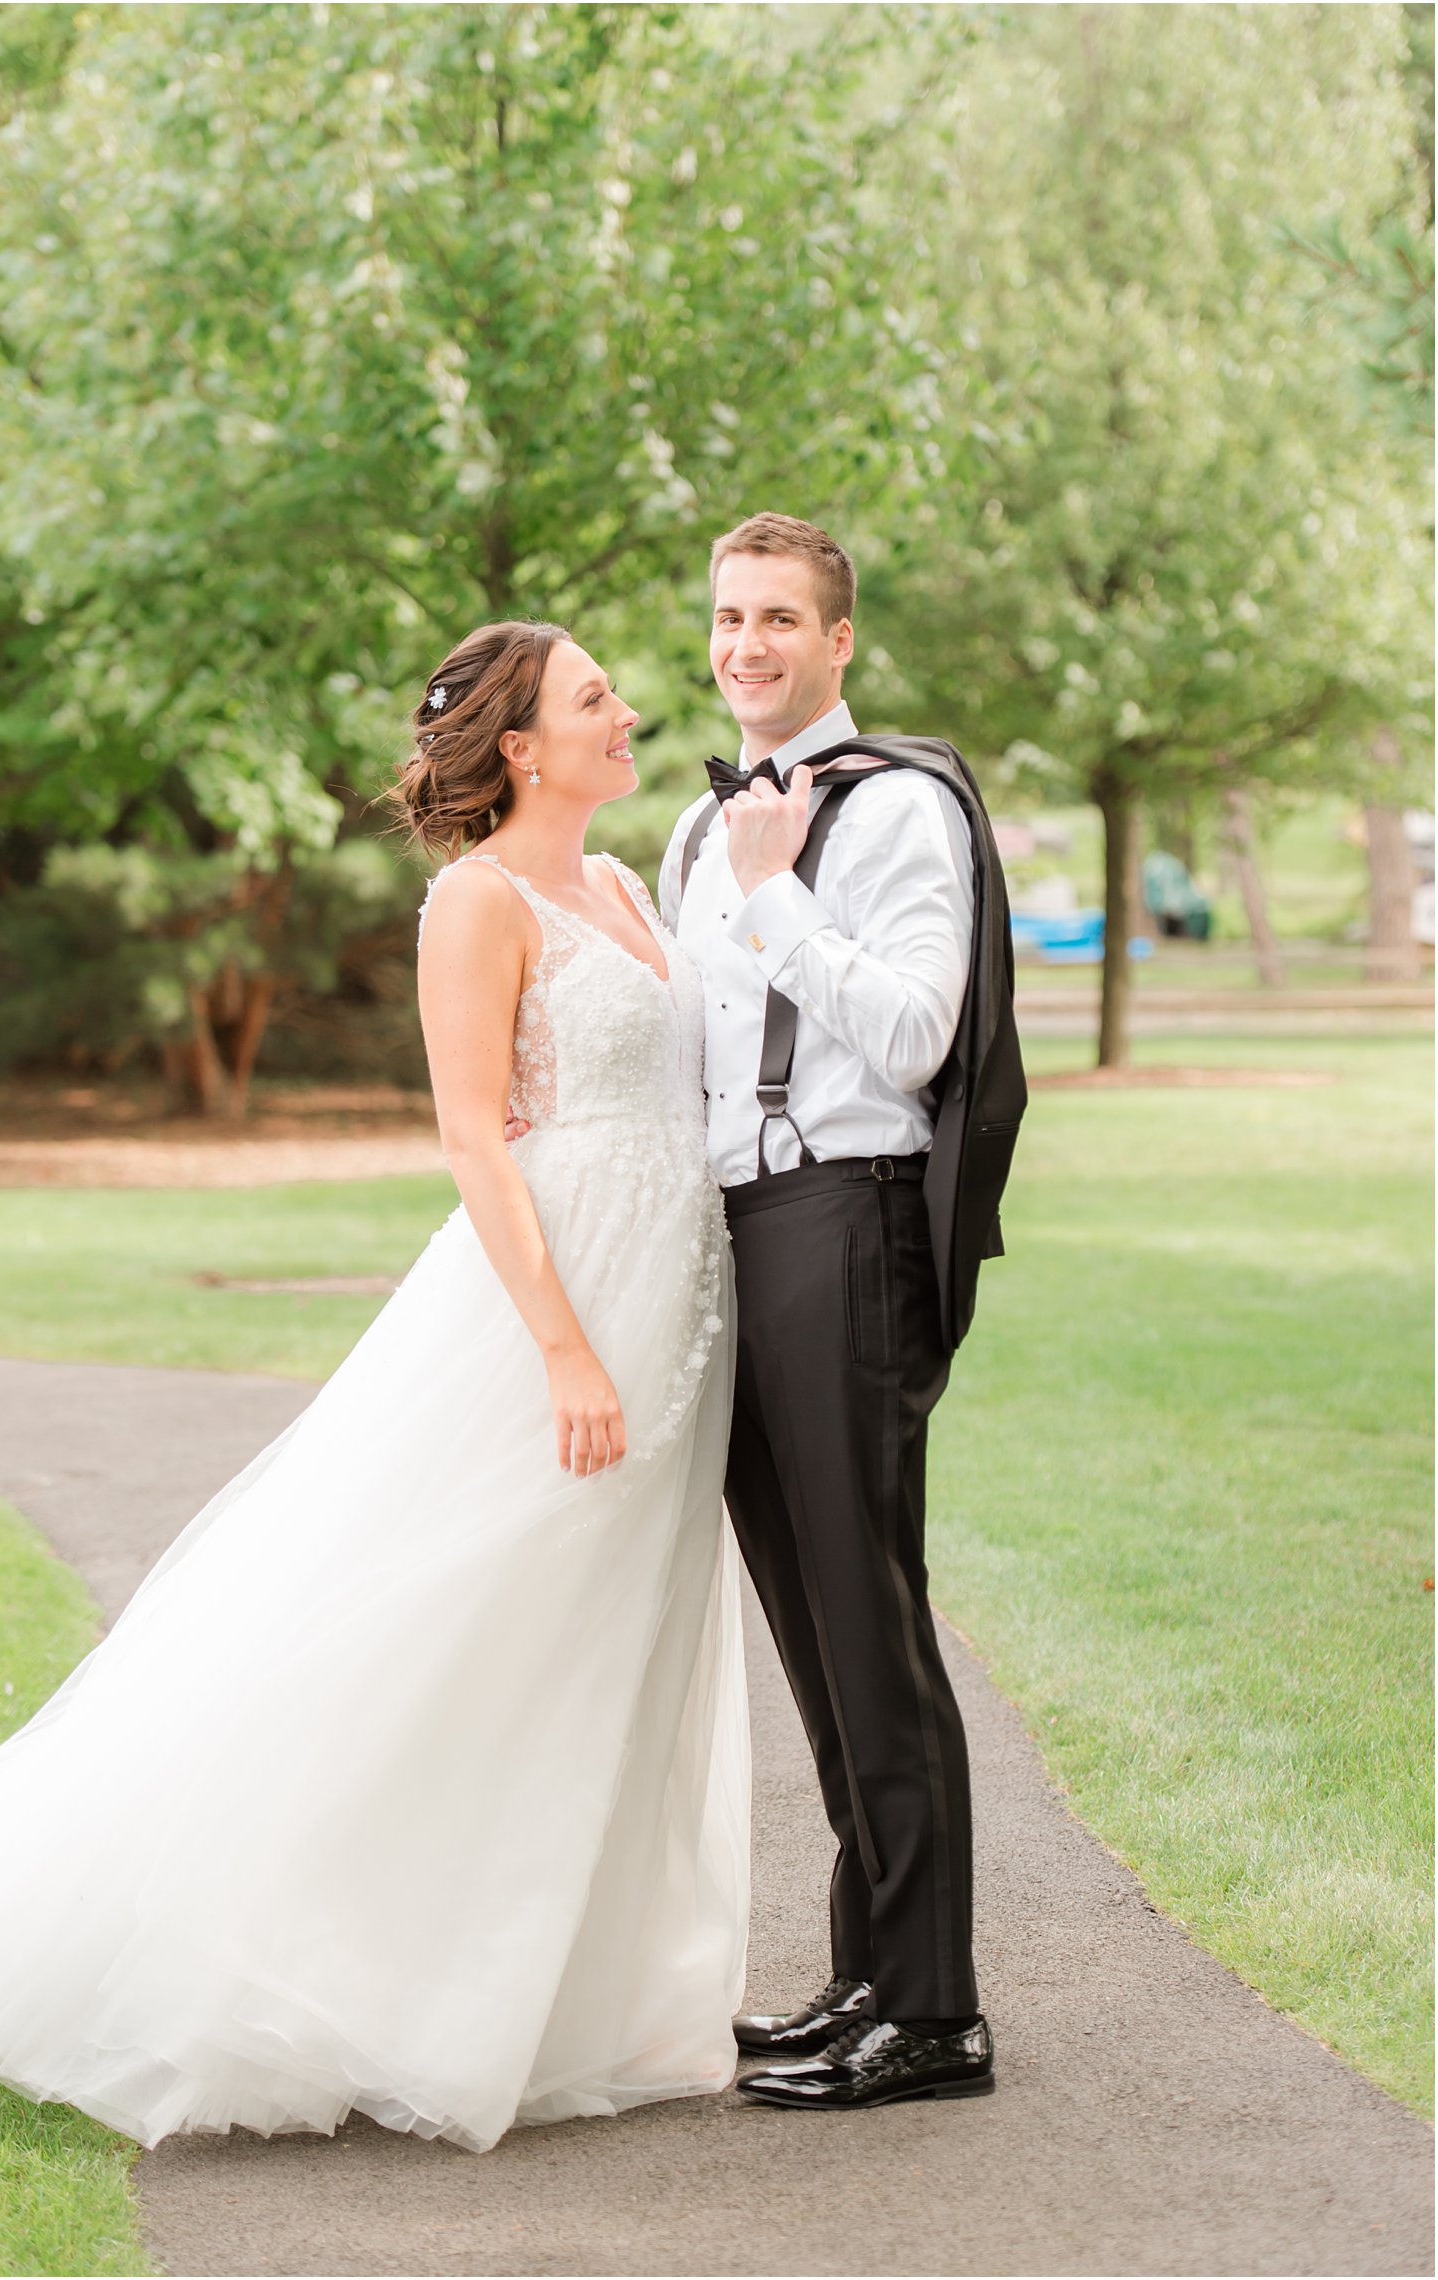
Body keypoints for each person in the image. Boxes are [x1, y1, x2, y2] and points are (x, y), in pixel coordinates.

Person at [0, 621, 751, 2156]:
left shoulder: (631, 887)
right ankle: (354, 1979)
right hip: (550, 1299)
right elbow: (472, 1137)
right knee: (450, 1618)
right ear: (520, 747)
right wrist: (565, 1345)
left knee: (602, 1635)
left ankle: (553, 1985)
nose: (630, 712)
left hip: (675, 1292)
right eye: (593, 699)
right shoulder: (477, 902)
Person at [657, 512, 996, 2109]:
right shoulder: (688, 826)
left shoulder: (899, 809)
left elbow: (920, 1036)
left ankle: (935, 2015)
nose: (748, 646)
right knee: (809, 1623)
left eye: (781, 618)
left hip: (846, 1221)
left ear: (839, 641)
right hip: (731, 1235)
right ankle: (872, 1970)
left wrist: (782, 895)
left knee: (869, 1612)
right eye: (729, 616)